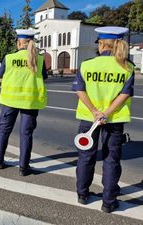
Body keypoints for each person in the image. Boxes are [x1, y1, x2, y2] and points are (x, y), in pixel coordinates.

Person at [72, 26, 135, 213]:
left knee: (85, 156)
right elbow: (125, 94)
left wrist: (94, 111)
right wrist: (106, 113)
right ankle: (109, 202)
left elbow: (79, 90)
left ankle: (82, 194)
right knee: (111, 159)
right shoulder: (127, 67)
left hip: (88, 118)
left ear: (101, 44)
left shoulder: (87, 65)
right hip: (113, 120)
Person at [0, 28, 48, 176]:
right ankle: (23, 168)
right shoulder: (39, 59)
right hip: (30, 103)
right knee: (26, 134)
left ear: (19, 42)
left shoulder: (9, 58)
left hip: (10, 101)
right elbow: (42, 78)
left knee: (4, 131)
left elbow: (0, 78)